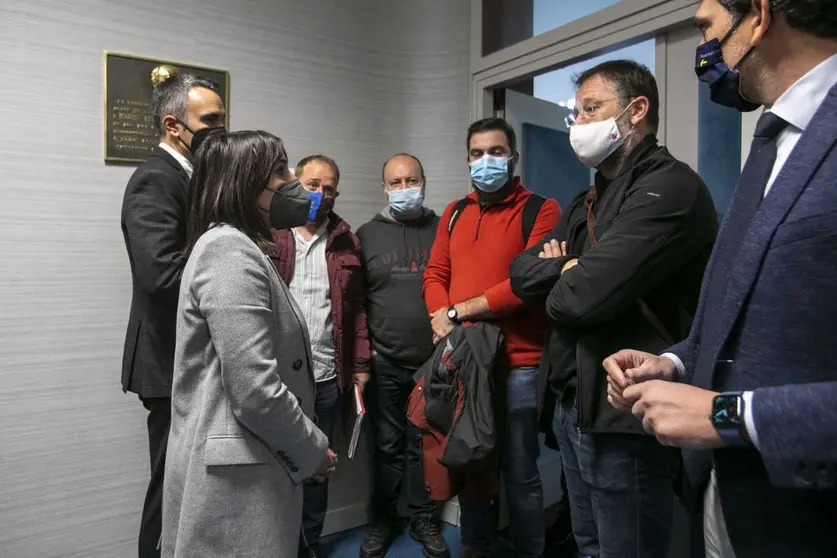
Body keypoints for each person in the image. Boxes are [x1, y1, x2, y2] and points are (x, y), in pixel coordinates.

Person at [603, 0, 837, 556]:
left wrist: (728, 416)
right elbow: (744, 313)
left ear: (758, 15)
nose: (705, 50)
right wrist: (678, 361)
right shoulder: (775, 137)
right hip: (723, 496)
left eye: (708, 27)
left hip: (805, 519)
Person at [509, 60, 718, 558]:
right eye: (575, 113)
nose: (578, 123)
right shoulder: (588, 201)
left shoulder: (670, 188)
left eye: (591, 108)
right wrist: (571, 268)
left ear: (636, 111)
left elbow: (576, 300)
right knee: (588, 545)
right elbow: (520, 273)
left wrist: (568, 274)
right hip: (573, 405)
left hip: (626, 411)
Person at [162, 129, 337, 557]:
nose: (292, 179)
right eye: (280, 170)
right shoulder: (228, 251)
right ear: (243, 182)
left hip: (246, 462)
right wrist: (312, 449)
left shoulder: (239, 247)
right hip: (235, 473)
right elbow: (255, 390)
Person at [423, 117, 560, 558]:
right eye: (478, 154)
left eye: (496, 152)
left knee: (520, 471)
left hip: (520, 363)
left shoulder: (542, 210)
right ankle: (474, 547)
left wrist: (457, 310)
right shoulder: (455, 212)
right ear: (467, 160)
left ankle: (527, 551)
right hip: (464, 360)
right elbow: (435, 273)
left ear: (513, 157)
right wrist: (439, 316)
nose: (487, 161)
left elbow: (524, 285)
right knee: (471, 461)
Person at [119, 72, 225, 558]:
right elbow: (160, 274)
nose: (221, 130)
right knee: (169, 488)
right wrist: (223, 254)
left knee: (188, 486)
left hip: (188, 360)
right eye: (211, 121)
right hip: (166, 363)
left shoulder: (189, 176)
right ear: (173, 125)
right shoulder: (154, 178)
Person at [269, 154, 371, 557]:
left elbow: (358, 309)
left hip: (327, 379)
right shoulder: (271, 233)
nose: (320, 194)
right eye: (313, 184)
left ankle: (308, 546)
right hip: (277, 381)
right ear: (294, 183)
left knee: (317, 469)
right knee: (274, 471)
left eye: (329, 188)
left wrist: (362, 366)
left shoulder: (347, 240)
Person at [356, 154, 448, 558]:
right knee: (388, 446)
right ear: (385, 188)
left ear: (424, 182)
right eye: (396, 182)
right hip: (386, 361)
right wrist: (366, 352)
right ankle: (384, 519)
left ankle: (423, 518)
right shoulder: (366, 235)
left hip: (433, 362)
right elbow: (356, 300)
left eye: (411, 180)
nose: (404, 188)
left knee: (425, 444)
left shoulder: (443, 228)